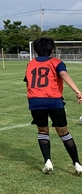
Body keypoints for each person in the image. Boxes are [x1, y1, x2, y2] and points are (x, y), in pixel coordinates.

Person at [24, 37, 82, 175]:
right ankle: (77, 164)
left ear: (36, 50)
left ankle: (48, 161)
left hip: (35, 101)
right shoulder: (56, 62)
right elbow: (63, 74)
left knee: (43, 132)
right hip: (54, 100)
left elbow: (27, 82)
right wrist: (77, 91)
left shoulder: (30, 64)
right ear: (52, 50)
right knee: (64, 133)